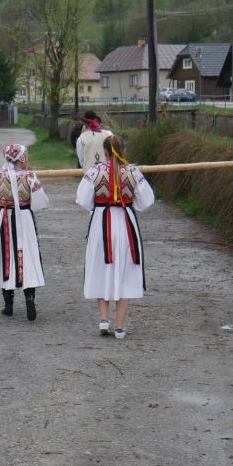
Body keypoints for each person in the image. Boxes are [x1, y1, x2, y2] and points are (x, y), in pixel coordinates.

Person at [75, 134, 155, 338]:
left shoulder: (95, 171)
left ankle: (104, 319)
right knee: (125, 271)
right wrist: (130, 202)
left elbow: (83, 199)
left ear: (105, 152)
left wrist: (97, 206)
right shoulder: (133, 172)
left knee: (101, 266)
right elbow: (146, 201)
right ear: (123, 150)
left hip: (102, 222)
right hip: (126, 223)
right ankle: (119, 327)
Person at [0, 143, 49, 321]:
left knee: (5, 256)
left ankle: (8, 305)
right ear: (21, 159)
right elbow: (41, 202)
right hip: (24, 218)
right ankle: (29, 298)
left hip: (3, 218)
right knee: (27, 256)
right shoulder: (29, 176)